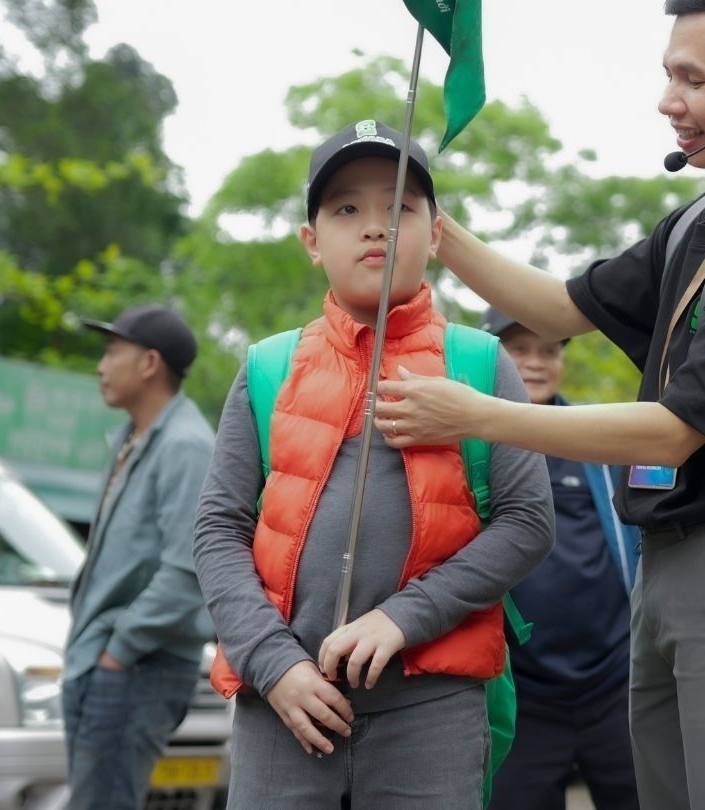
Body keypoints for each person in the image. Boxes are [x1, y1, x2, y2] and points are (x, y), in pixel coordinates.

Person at [375, 0, 705, 810]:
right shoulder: (696, 225)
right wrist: (430, 225)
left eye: (693, 79)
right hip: (667, 566)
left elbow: (675, 433)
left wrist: (481, 415)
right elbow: (560, 310)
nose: (667, 101)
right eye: (667, 74)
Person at [191, 122, 554, 809]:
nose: (375, 229)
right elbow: (216, 529)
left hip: (434, 707)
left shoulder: (480, 363)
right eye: (346, 209)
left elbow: (528, 523)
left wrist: (402, 618)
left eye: (400, 208)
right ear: (312, 242)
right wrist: (275, 666)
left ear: (436, 235)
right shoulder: (267, 367)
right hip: (283, 709)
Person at [480, 306, 641, 810]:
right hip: (520, 694)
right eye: (519, 350)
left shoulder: (598, 440)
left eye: (548, 350)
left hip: (616, 685)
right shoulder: (470, 450)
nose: (535, 362)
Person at [64, 304, 216, 810]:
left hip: (138, 667)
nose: (101, 366)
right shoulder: (134, 437)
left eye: (112, 352)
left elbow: (188, 570)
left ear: (150, 363)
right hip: (108, 660)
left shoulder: (185, 446)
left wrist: (118, 652)